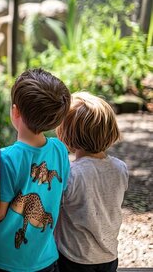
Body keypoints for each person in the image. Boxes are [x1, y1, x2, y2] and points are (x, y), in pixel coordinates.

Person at [0, 68, 71, 272]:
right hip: (44, 257)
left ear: (15, 111)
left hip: (1, 259)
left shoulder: (5, 158)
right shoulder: (60, 150)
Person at [55, 92, 128, 272]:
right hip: (109, 255)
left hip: (75, 257)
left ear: (67, 133)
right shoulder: (120, 168)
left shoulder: (72, 174)